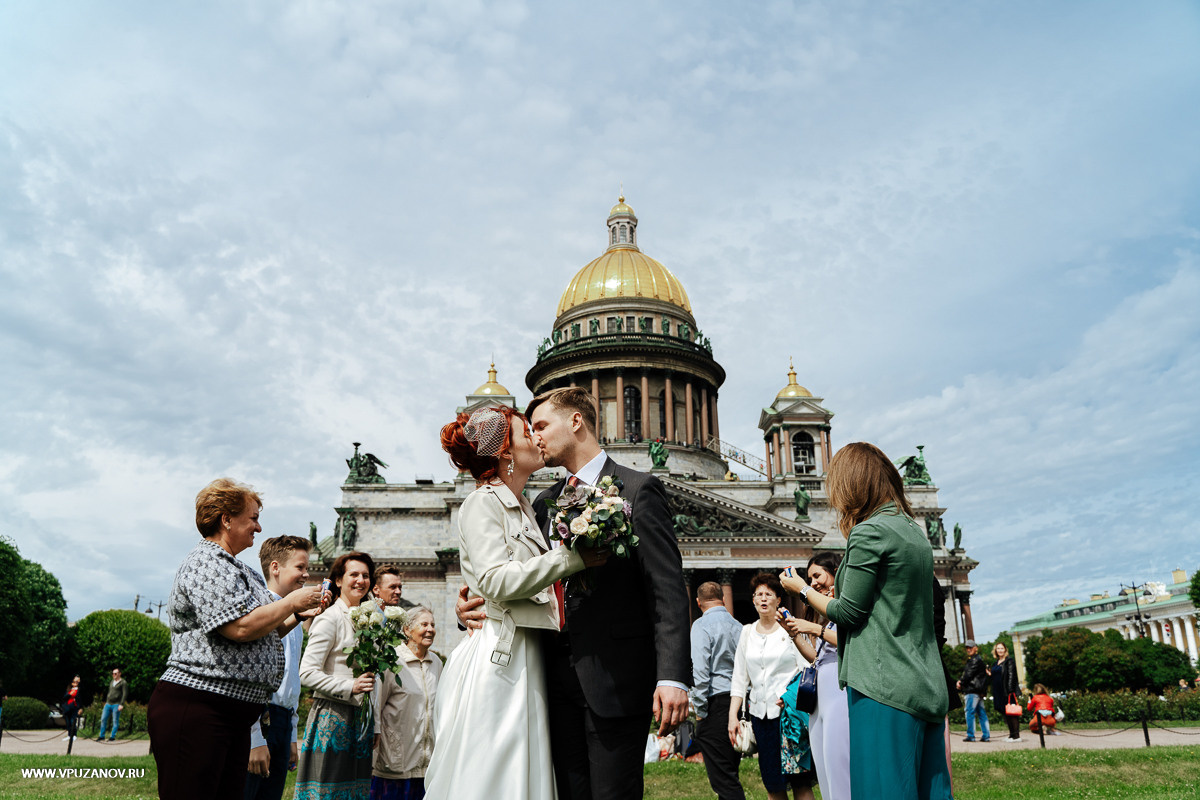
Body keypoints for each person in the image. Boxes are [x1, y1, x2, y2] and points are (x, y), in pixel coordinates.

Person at [426, 405, 601, 800]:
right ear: (505, 451)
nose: (537, 440)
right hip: (500, 658)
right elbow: (492, 579)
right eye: (526, 434)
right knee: (496, 771)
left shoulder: (526, 505)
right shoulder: (482, 502)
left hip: (525, 651)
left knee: (522, 771)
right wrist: (572, 559)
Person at [527, 387, 692, 800]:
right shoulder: (542, 505)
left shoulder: (637, 490)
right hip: (552, 682)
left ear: (576, 422)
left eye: (542, 425)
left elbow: (667, 590)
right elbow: (522, 580)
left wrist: (672, 676)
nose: (535, 438)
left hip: (617, 683)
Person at [780, 442, 951, 800]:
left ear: (853, 484)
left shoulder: (869, 532)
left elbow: (848, 613)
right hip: (927, 683)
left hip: (883, 687)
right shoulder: (912, 532)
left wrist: (801, 589)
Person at [148, 478, 324, 800]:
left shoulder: (244, 571)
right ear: (226, 519)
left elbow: (263, 630)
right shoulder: (206, 562)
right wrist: (291, 603)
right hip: (198, 708)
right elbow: (238, 628)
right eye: (253, 517)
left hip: (232, 713)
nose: (258, 527)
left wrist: (297, 615)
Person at [296, 551, 379, 800]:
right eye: (353, 574)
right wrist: (349, 686)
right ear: (339, 581)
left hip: (360, 721)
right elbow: (307, 672)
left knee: (355, 793)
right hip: (332, 720)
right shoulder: (330, 617)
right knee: (326, 793)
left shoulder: (368, 620)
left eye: (365, 575)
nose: (360, 580)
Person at [246, 535, 320, 800]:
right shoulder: (258, 610)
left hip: (282, 721)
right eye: (300, 567)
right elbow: (249, 677)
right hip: (260, 717)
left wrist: (290, 733)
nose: (306, 574)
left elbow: (291, 680)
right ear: (275, 567)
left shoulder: (297, 618)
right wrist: (255, 737)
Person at [728, 573, 814, 800]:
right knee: (773, 783)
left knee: (800, 782)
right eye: (759, 595)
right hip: (761, 717)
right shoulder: (746, 632)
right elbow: (739, 677)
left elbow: (806, 667)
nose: (763, 599)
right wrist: (732, 716)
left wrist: (789, 695)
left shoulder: (789, 628)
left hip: (789, 718)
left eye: (769, 594)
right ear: (754, 601)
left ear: (778, 600)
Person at [780, 552, 851, 800]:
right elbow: (815, 658)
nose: (813, 583)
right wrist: (794, 633)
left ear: (835, 572)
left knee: (839, 761)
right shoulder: (826, 615)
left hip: (839, 692)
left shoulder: (846, 607)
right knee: (824, 765)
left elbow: (850, 641)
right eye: (809, 579)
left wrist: (813, 628)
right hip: (820, 696)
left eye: (817, 575)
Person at [372, 606, 442, 800]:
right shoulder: (392, 660)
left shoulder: (436, 662)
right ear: (407, 630)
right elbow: (376, 706)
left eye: (433, 625)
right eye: (424, 624)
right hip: (396, 762)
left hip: (427, 766)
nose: (430, 629)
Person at [689, 581, 746, 800]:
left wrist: (700, 710)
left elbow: (701, 672)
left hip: (715, 703)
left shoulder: (701, 626)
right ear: (723, 598)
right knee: (731, 771)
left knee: (724, 781)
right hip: (737, 702)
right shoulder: (739, 626)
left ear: (698, 602)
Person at [956, 640, 990, 742]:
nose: (968, 649)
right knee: (981, 713)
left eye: (970, 647)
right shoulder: (977, 660)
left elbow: (968, 675)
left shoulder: (975, 660)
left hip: (972, 690)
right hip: (978, 691)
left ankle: (971, 735)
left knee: (969, 712)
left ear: (976, 648)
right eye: (967, 647)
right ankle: (986, 735)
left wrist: (960, 683)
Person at [988, 643, 1021, 742]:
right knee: (1005, 713)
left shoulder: (1009, 661)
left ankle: (1016, 736)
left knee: (1012, 713)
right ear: (995, 650)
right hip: (998, 691)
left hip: (1007, 691)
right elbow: (995, 676)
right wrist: (989, 674)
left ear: (1005, 649)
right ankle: (1011, 735)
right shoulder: (996, 663)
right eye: (998, 648)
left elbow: (1011, 675)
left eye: (1002, 648)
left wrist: (1010, 690)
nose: (1000, 650)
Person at [98, 669, 128, 741]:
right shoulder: (112, 682)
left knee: (115, 721)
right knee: (103, 719)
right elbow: (109, 692)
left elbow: (125, 693)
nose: (114, 675)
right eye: (113, 673)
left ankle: (112, 736)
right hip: (108, 703)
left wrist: (121, 704)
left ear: (119, 674)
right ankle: (102, 736)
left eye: (115, 673)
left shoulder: (123, 682)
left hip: (116, 704)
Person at [61, 675, 83, 742]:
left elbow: (81, 699)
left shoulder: (79, 690)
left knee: (72, 721)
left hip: (75, 707)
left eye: (77, 682)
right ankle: (69, 735)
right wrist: (70, 694)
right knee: (68, 722)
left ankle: (74, 735)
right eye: (74, 682)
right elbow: (64, 697)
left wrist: (81, 708)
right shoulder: (68, 689)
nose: (75, 683)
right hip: (67, 707)